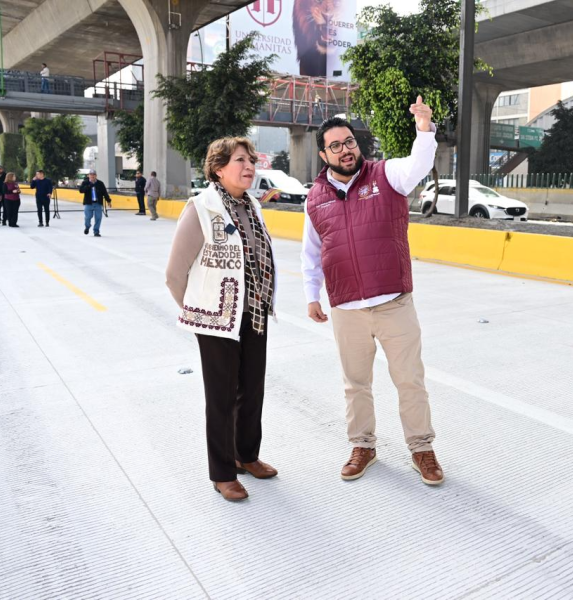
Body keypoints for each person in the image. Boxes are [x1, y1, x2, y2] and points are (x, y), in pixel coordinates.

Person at [301, 97, 444, 486]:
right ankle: (362, 445)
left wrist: (423, 127)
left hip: (393, 302)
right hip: (346, 307)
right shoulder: (315, 197)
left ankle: (421, 448)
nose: (345, 150)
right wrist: (312, 295)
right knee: (355, 384)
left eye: (349, 142)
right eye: (335, 145)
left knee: (409, 380)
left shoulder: (386, 174)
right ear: (323, 155)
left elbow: (419, 165)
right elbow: (311, 251)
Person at [165, 137, 278, 502]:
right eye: (240, 160)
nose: (250, 167)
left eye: (252, 160)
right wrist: (198, 310)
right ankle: (223, 472)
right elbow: (174, 274)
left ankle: (246, 455)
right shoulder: (201, 208)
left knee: (252, 390)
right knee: (221, 398)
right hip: (215, 320)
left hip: (253, 313)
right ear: (218, 168)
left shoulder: (252, 206)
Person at [79, 169, 112, 237]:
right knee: (88, 217)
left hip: (98, 203)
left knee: (98, 218)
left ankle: (96, 231)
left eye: (94, 175)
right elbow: (81, 190)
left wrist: (108, 200)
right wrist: (89, 185)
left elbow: (105, 193)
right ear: (88, 176)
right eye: (91, 175)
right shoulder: (85, 182)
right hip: (89, 203)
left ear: (96, 176)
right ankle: (87, 226)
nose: (92, 176)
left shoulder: (100, 183)